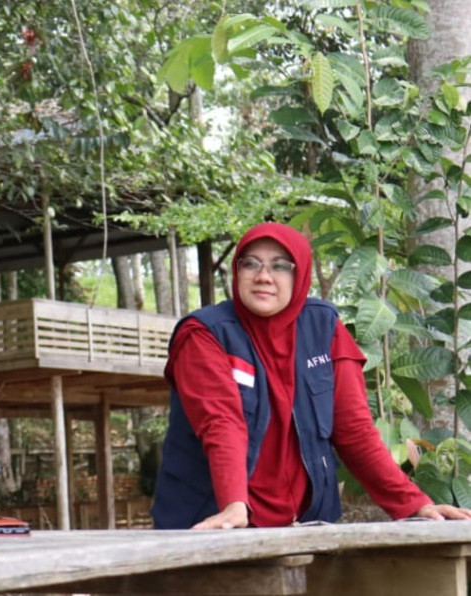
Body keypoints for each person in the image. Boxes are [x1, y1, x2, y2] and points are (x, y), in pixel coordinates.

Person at [151, 222, 471, 530]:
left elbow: (354, 430)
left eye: (279, 266)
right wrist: (234, 505)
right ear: (237, 272)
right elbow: (221, 422)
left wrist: (416, 504)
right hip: (213, 522)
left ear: (300, 273)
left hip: (307, 523)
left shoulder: (324, 327)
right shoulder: (205, 334)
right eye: (251, 264)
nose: (263, 276)